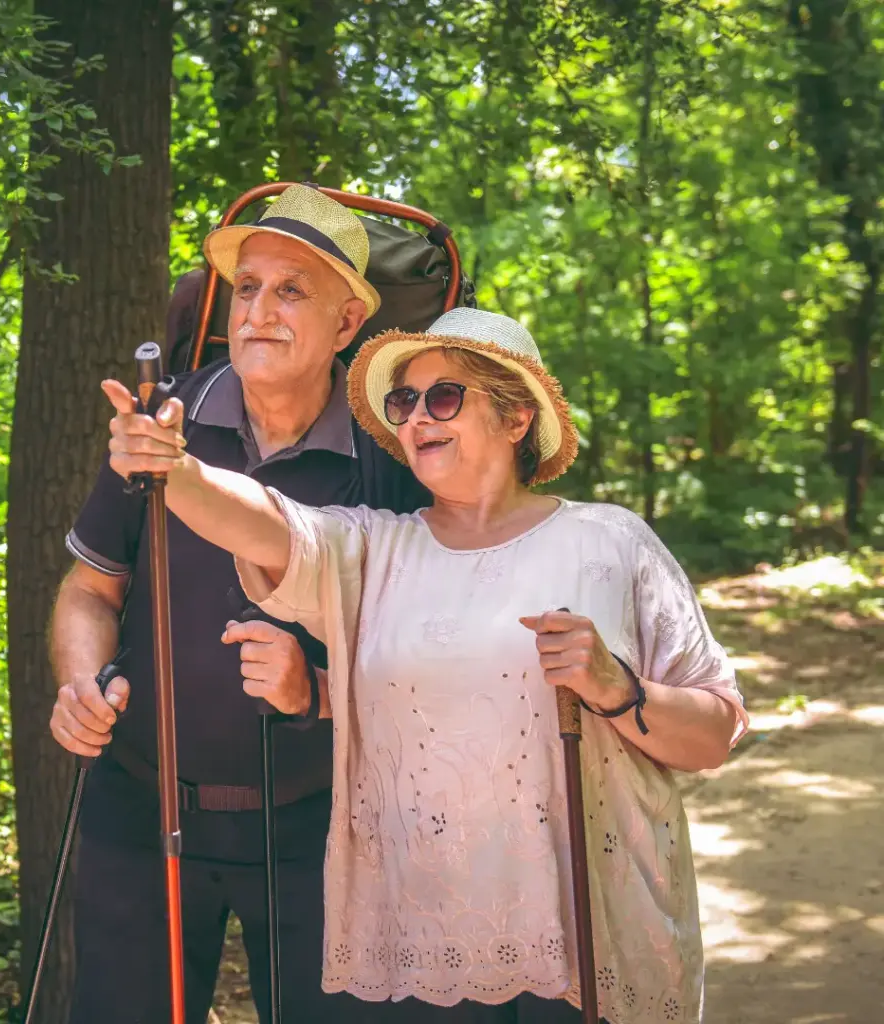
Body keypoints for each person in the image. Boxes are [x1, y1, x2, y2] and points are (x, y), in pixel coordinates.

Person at [103, 306, 749, 1024]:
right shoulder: (377, 549)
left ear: (514, 420)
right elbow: (272, 523)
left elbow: (716, 732)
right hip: (424, 947)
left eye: (445, 396)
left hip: (584, 942)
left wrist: (616, 689)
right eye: (403, 401)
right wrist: (179, 469)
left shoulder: (611, 543)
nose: (416, 418)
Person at [48, 185, 430, 1024]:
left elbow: (429, 651)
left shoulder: (394, 455)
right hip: (140, 811)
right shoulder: (160, 426)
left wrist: (315, 680)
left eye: (292, 289)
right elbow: (88, 588)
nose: (258, 311)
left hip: (324, 825)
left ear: (347, 321)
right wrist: (80, 684)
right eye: (248, 288)